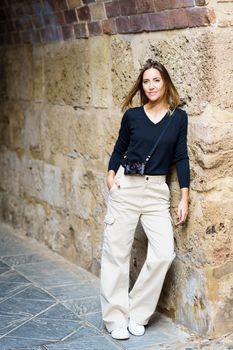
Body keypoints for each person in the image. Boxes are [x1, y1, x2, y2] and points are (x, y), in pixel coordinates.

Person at [100, 60, 190, 340]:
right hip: (126, 188)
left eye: (156, 81)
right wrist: (110, 175)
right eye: (146, 81)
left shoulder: (178, 118)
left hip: (156, 192)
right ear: (142, 85)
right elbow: (119, 149)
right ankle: (115, 318)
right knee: (116, 253)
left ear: (166, 84)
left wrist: (184, 196)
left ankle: (137, 313)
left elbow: (181, 157)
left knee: (164, 253)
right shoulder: (132, 117)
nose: (151, 86)